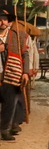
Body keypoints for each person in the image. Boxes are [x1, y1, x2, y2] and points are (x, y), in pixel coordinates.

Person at [0, 10, 31, 141]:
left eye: (4, 19)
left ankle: (5, 129)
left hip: (12, 74)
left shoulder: (18, 36)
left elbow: (25, 54)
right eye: (0, 19)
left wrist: (25, 72)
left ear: (8, 21)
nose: (2, 22)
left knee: (10, 103)